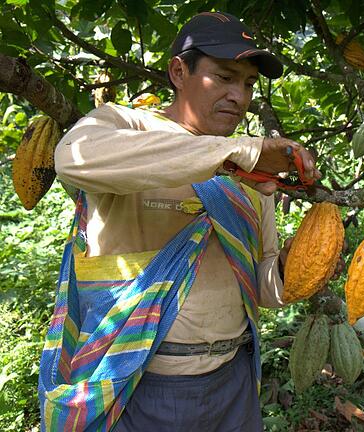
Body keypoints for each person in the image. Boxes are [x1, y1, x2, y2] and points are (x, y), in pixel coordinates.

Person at [38, 11, 318, 431]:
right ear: (178, 71)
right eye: (224, 77)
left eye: (247, 84)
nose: (238, 97)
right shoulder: (127, 124)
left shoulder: (250, 170)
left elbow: (261, 286)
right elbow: (72, 158)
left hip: (232, 380)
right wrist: (229, 153)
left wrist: (295, 267)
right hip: (136, 384)